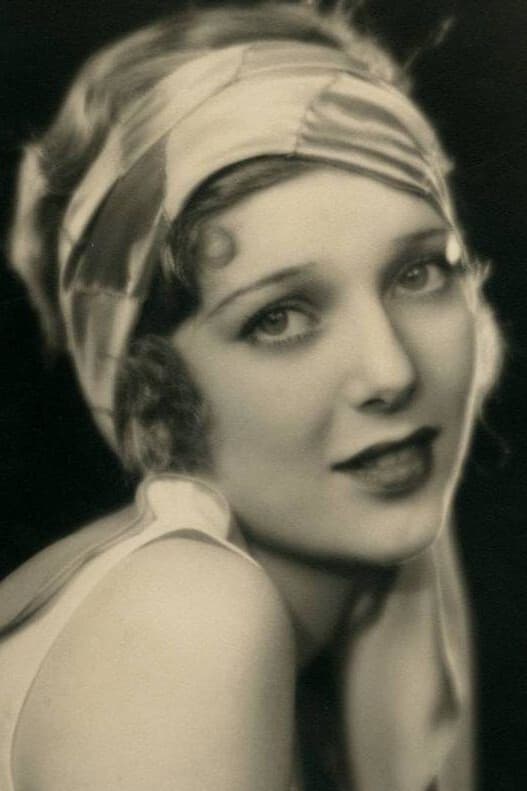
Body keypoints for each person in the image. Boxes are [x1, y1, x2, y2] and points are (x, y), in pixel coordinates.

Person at [0, 2, 502, 789]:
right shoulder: (182, 613)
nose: (390, 372)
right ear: (149, 393)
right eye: (278, 318)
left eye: (418, 272)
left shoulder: (379, 623)